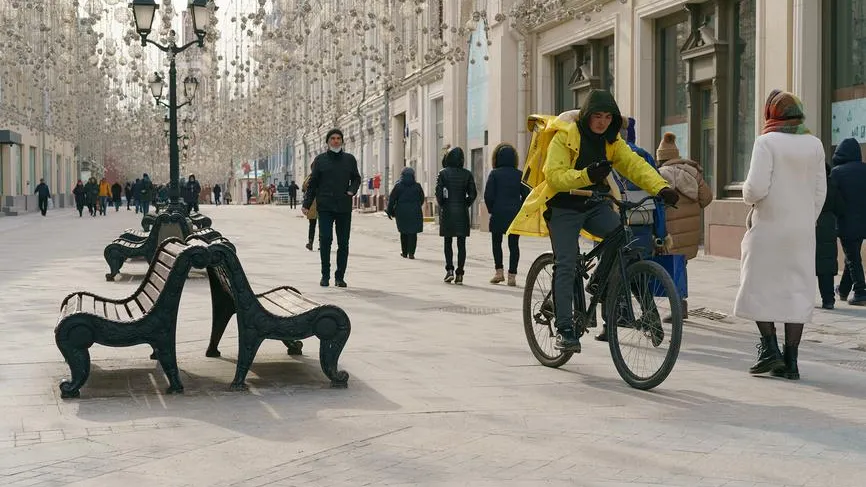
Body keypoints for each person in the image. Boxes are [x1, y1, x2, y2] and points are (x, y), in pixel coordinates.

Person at [507, 89, 679, 352]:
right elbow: (554, 176)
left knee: (623, 239)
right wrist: (587, 175)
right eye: (597, 116)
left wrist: (661, 187)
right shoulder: (565, 136)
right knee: (566, 264)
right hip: (563, 206)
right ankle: (565, 330)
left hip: (593, 204)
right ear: (587, 116)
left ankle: (598, 280)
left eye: (608, 117)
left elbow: (635, 165)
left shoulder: (612, 141)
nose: (602, 122)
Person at [733, 89, 826, 381]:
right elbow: (820, 190)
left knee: (758, 284)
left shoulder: (767, 142)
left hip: (770, 226)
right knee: (797, 290)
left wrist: (749, 197)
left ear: (771, 114)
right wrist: (806, 218)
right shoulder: (815, 144)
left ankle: (769, 349)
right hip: (801, 229)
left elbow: (755, 188)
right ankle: (792, 362)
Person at [656, 131, 714, 319]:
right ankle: (681, 306)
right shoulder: (693, 173)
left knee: (667, 268)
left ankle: (677, 308)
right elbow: (707, 198)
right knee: (681, 266)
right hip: (690, 231)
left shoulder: (660, 174)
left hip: (671, 231)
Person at [302, 128, 362, 288]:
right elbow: (313, 184)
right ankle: (325, 275)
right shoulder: (320, 160)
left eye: (338, 138)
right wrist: (307, 204)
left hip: (343, 206)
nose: (336, 141)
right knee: (325, 239)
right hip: (325, 206)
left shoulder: (349, 160)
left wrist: (352, 190)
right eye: (333, 138)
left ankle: (339, 277)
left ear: (342, 141)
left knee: (343, 243)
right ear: (328, 141)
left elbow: (356, 178)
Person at [484, 143, 529, 286]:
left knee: (497, 243)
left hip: (498, 213)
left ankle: (499, 272)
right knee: (514, 245)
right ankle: (512, 276)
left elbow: (488, 195)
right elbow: (527, 195)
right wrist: (520, 209)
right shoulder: (519, 174)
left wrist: (492, 209)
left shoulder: (494, 174)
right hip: (515, 215)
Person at [830, 137, 866, 306]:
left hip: (846, 221)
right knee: (852, 256)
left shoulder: (836, 172)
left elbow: (833, 197)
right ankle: (844, 290)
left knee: (852, 258)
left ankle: (860, 291)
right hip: (863, 221)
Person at [436, 147, 478, 284]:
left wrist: (443, 204)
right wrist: (465, 204)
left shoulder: (443, 173)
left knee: (448, 242)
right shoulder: (467, 174)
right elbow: (473, 194)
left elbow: (439, 193)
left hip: (447, 211)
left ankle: (449, 270)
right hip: (462, 212)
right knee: (462, 244)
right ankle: (460, 273)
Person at [816, 159, 844, 309]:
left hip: (808, 223)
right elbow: (840, 207)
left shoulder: (806, 185)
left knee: (805, 264)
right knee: (826, 265)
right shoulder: (831, 184)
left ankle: (803, 300)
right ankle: (828, 300)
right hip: (827, 226)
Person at [387, 167, 425, 259]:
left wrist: (390, 211)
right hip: (415, 211)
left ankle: (404, 252)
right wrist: (416, 206)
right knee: (413, 232)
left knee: (403, 232)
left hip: (401, 211)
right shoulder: (417, 186)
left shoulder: (398, 186)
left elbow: (392, 200)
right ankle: (411, 253)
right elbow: (422, 198)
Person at [302, 165, 317, 251]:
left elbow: (304, 187)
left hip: (311, 204)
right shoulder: (323, 175)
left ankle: (310, 242)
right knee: (322, 225)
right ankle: (322, 243)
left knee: (312, 225)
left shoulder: (309, 177)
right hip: (322, 203)